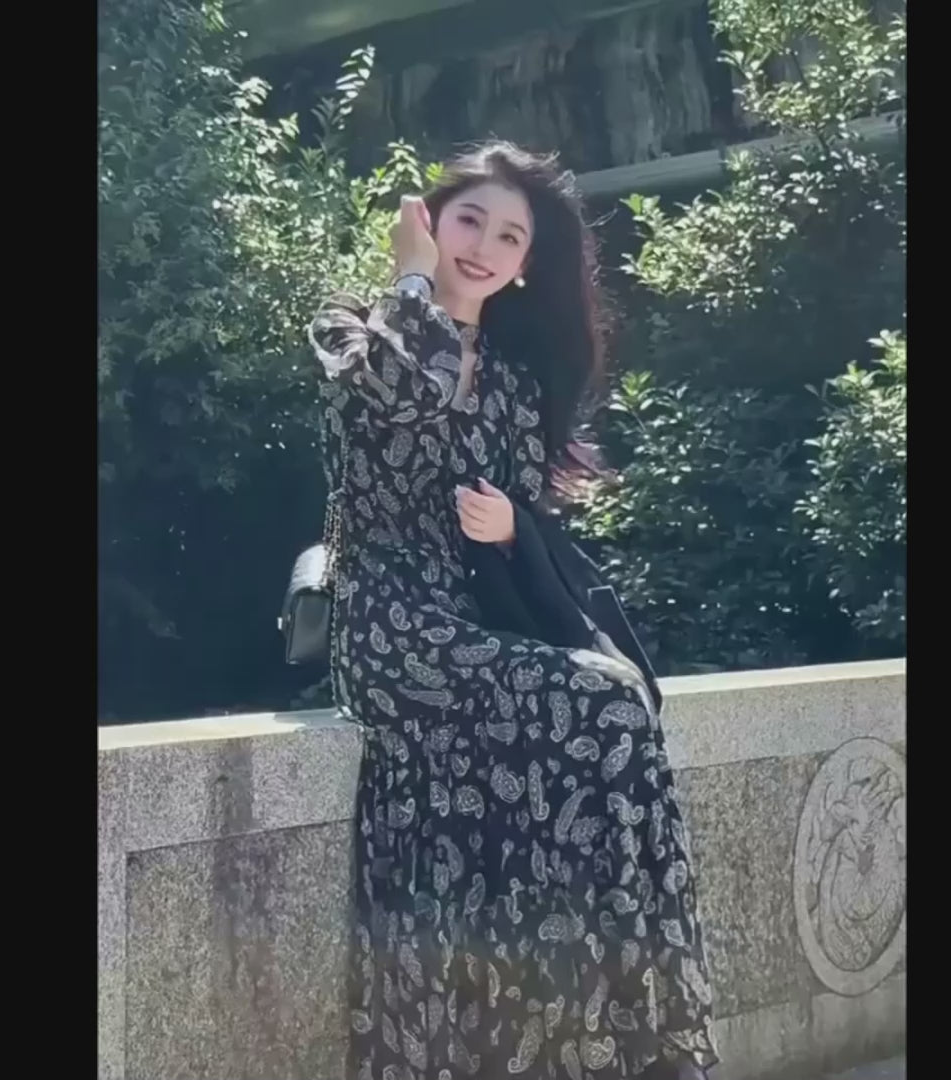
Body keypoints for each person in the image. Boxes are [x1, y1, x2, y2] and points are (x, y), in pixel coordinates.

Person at [308, 142, 718, 1079]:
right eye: (469, 221)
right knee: (603, 703)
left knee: (621, 703)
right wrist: (413, 281)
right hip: (389, 623)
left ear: (528, 262)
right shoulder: (350, 330)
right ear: (429, 222)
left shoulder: (514, 381)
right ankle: (629, 1035)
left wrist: (509, 532)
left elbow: (527, 517)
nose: (484, 247)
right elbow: (401, 391)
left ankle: (606, 1028)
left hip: (479, 621)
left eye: (509, 236)